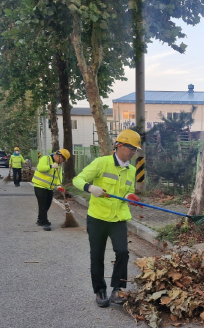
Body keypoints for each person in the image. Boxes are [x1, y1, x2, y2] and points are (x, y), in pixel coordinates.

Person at [72, 129, 142, 308]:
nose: (133, 152)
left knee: (123, 252)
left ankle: (118, 288)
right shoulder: (101, 163)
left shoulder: (131, 169)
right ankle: (100, 290)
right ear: (119, 145)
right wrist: (89, 188)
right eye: (130, 148)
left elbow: (126, 190)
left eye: (135, 149)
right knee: (97, 255)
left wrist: (130, 195)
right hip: (97, 218)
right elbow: (77, 179)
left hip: (118, 218)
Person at [32, 148, 70, 231]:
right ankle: (45, 222)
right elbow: (40, 168)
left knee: (47, 204)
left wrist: (59, 186)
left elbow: (58, 177)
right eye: (63, 159)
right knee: (43, 204)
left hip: (49, 187)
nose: (63, 161)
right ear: (60, 156)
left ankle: (40, 220)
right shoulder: (45, 158)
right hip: (40, 185)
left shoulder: (59, 166)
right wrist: (51, 166)